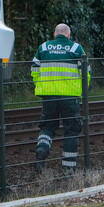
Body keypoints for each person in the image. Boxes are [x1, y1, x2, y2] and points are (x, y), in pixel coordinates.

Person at [30, 23, 90, 173]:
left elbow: (34, 70)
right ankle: (68, 170)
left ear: (54, 34)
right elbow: (86, 73)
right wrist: (82, 90)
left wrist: (42, 87)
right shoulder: (76, 48)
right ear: (68, 35)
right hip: (70, 97)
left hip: (48, 96)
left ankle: (42, 149)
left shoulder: (43, 48)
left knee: (47, 127)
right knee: (71, 130)